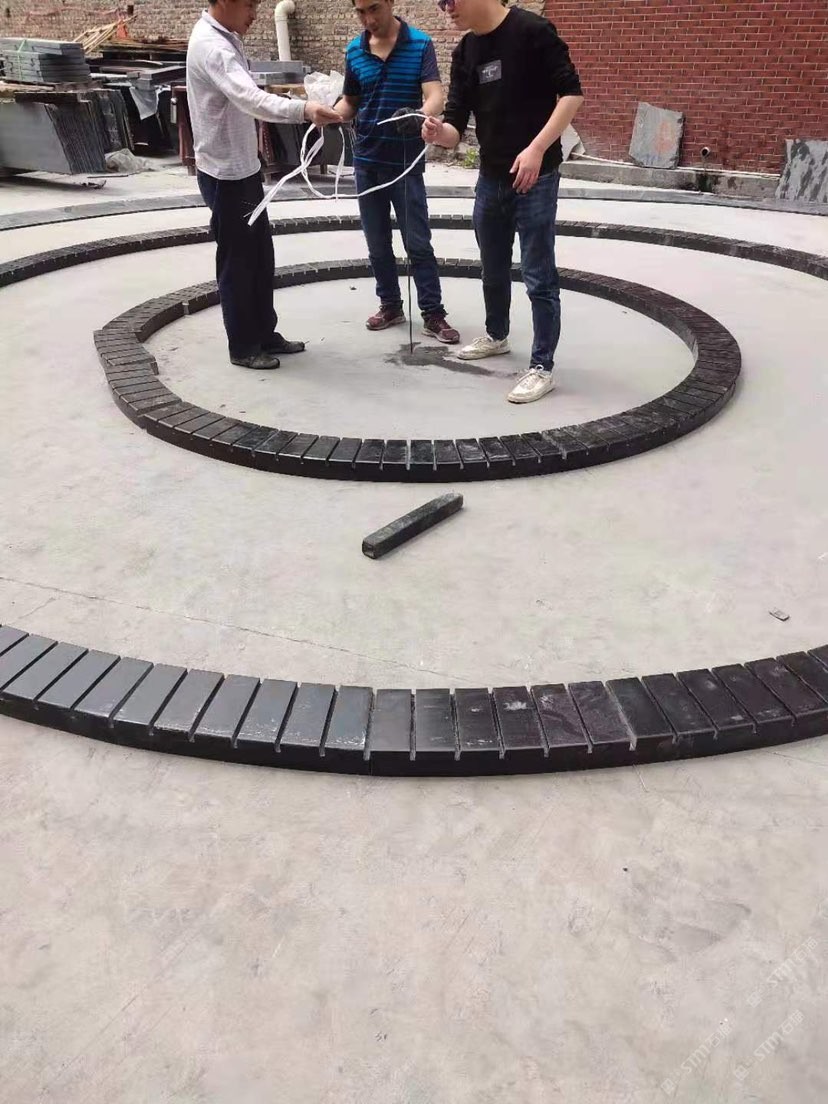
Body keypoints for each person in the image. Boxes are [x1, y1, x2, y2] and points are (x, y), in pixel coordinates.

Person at [423, 0, 583, 402]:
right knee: (492, 267)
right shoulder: (466, 51)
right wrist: (439, 132)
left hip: (535, 177)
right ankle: (496, 335)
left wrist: (537, 148)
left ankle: (542, 366)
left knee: (538, 275)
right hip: (490, 177)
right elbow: (456, 123)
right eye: (440, 2)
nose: (446, 8)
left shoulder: (532, 31)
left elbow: (571, 94)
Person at [187, 0, 341, 370]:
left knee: (259, 256)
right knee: (238, 262)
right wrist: (303, 110)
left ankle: (264, 333)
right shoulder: (213, 46)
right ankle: (243, 346)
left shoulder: (226, 37)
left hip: (242, 168)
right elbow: (250, 98)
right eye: (249, 4)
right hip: (226, 174)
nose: (255, 12)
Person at [334, 0, 460, 344]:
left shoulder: (419, 44)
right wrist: (330, 114)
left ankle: (433, 313)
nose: (368, 18)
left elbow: (435, 95)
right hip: (367, 162)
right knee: (377, 243)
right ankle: (390, 305)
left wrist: (419, 115)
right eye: (360, 12)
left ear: (390, 2)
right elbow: (350, 102)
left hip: (405, 163)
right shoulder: (355, 51)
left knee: (418, 242)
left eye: (374, 8)